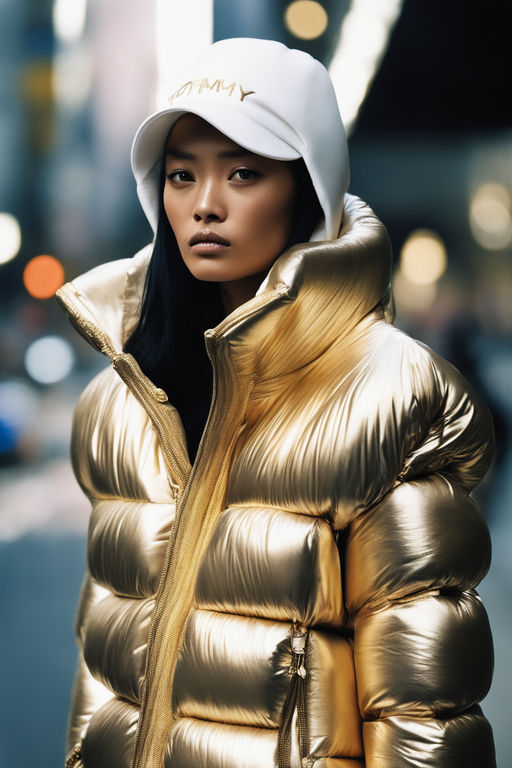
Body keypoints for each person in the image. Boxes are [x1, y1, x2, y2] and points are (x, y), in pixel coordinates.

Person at [57, 38, 496, 768]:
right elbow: (101, 674)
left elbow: (424, 711)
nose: (204, 204)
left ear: (307, 188)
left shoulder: (391, 397)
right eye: (179, 175)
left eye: (243, 173)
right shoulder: (115, 403)